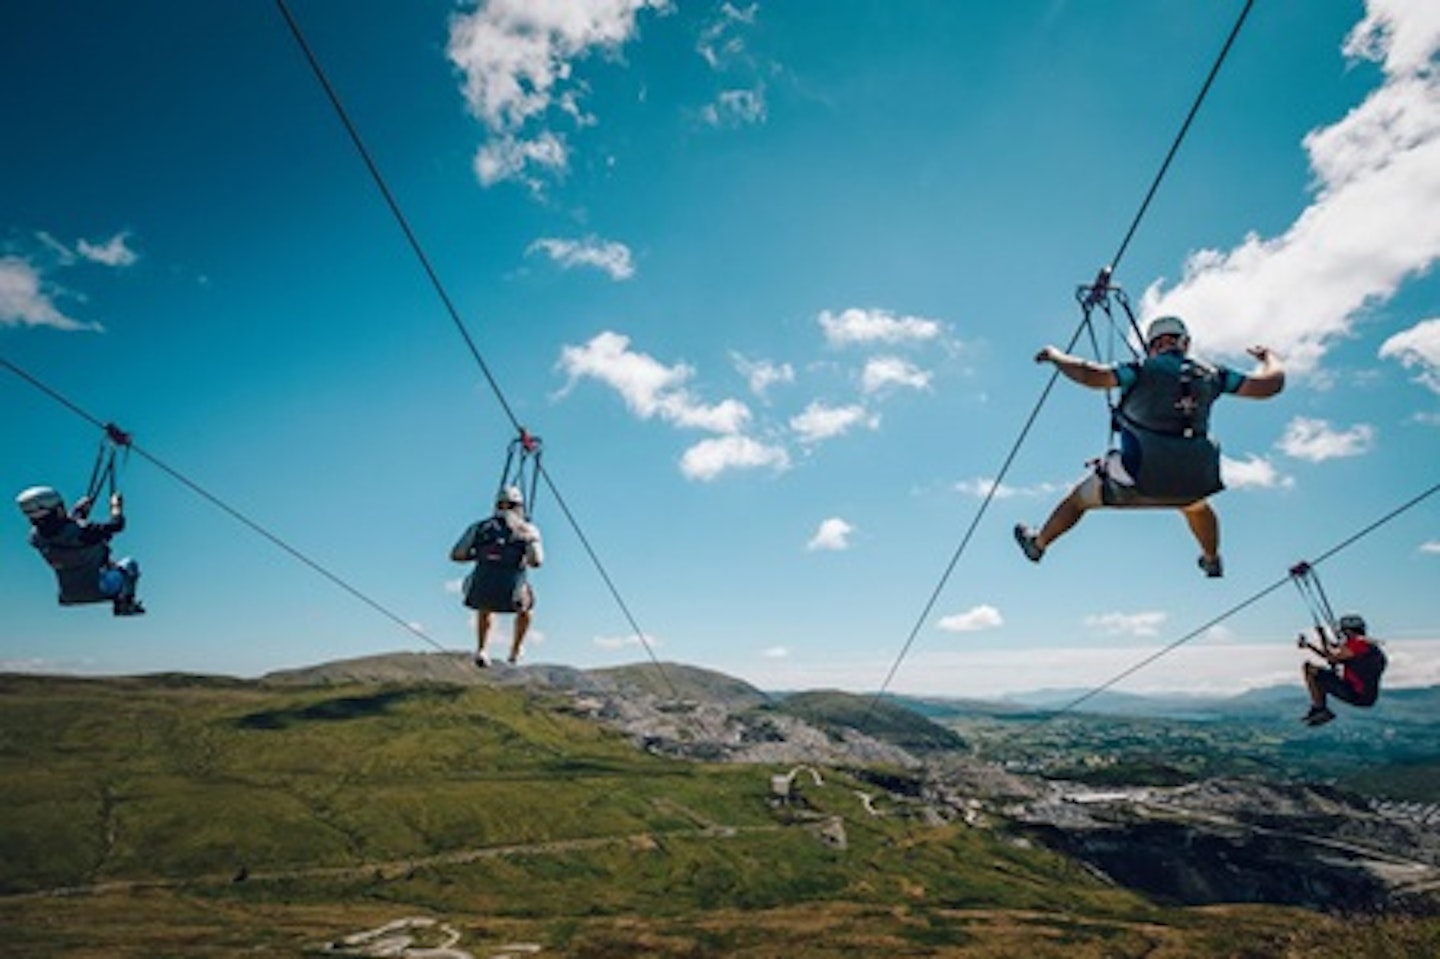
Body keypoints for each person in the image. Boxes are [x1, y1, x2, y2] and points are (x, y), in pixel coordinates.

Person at [1014, 315, 1285, 577]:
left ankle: (1038, 545)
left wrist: (1055, 355)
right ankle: (1212, 560)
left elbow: (1091, 375)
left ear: (1152, 346)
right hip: (1193, 481)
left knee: (1077, 501)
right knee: (1198, 508)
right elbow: (1270, 385)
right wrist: (1268, 357)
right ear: (1185, 343)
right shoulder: (1215, 374)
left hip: (1139, 479)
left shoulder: (1140, 370)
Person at [450, 485, 544, 667]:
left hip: (478, 592)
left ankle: (482, 648)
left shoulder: (479, 527)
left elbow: (457, 555)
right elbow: (536, 561)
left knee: (484, 605)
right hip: (512, 595)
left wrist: (480, 555)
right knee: (527, 610)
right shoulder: (527, 530)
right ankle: (515, 649)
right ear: (519, 506)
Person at [16, 485, 145, 615]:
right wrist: (116, 506)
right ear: (59, 509)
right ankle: (125, 604)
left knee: (107, 565)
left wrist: (78, 510)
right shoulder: (83, 532)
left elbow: (56, 530)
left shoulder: (36, 538)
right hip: (100, 589)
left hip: (68, 595)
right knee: (129, 564)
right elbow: (116, 525)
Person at [1299, 613, 1385, 727]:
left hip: (1356, 693)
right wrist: (1312, 644)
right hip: (1367, 696)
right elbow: (1333, 653)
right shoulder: (1367, 646)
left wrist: (1321, 637)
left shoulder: (1356, 644)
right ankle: (1320, 709)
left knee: (1309, 669)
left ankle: (1320, 708)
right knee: (1318, 673)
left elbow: (1330, 657)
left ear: (1348, 631)